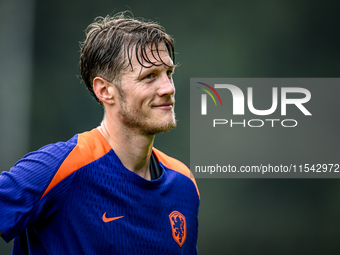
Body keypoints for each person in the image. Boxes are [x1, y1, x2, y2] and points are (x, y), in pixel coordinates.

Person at [0, 12, 200, 254]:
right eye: (149, 77)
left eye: (169, 73)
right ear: (105, 91)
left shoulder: (184, 183)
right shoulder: (60, 168)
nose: (168, 88)